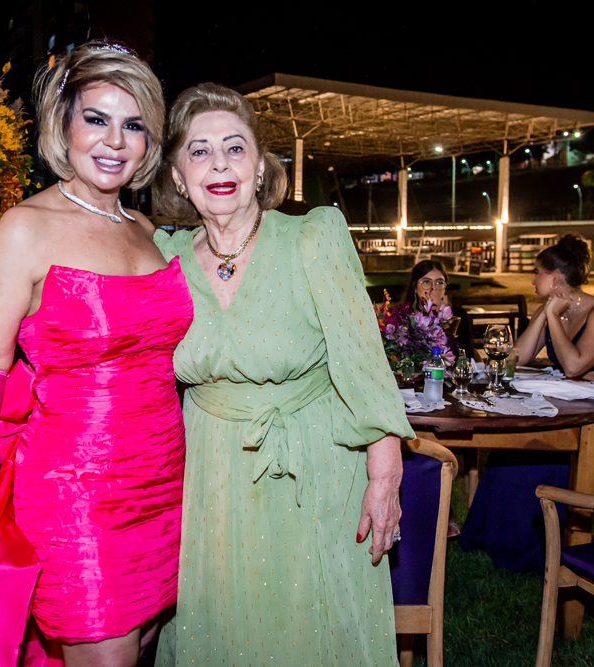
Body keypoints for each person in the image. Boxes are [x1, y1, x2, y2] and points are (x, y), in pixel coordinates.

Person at [151, 83, 414, 667]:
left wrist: (385, 474)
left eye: (235, 147)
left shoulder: (312, 237)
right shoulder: (163, 259)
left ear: (259, 166)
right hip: (207, 471)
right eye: (199, 151)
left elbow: (364, 363)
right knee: (220, 617)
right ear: (177, 176)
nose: (220, 164)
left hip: (313, 462)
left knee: (313, 621)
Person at [0, 41, 191, 666]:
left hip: (164, 481)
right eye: (96, 119)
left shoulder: (147, 232)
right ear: (63, 125)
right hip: (75, 490)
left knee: (141, 643)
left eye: (133, 125)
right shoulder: (24, 228)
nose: (114, 141)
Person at [459, 234, 594, 572]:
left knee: (539, 454)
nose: (533, 280)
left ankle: (532, 546)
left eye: (537, 272)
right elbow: (516, 357)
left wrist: (552, 315)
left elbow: (574, 366)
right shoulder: (551, 308)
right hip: (568, 401)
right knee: (513, 447)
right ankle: (492, 534)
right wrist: (545, 313)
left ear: (556, 276)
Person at [398, 258, 476, 358]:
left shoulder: (459, 316)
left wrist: (443, 318)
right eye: (426, 282)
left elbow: (467, 355)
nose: (433, 289)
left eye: (439, 283)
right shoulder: (404, 317)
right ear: (415, 288)